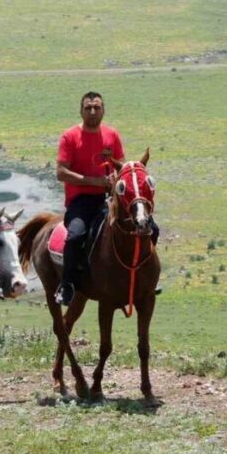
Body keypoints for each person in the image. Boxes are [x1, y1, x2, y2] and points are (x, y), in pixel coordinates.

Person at [55, 91, 160, 305]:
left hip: (108, 200)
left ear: (103, 110)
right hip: (81, 202)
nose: (92, 111)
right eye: (88, 108)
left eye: (96, 107)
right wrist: (95, 181)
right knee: (75, 236)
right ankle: (67, 284)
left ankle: (146, 277)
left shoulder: (112, 135)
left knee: (152, 228)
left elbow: (120, 165)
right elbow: (61, 172)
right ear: (81, 110)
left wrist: (118, 178)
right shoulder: (70, 137)